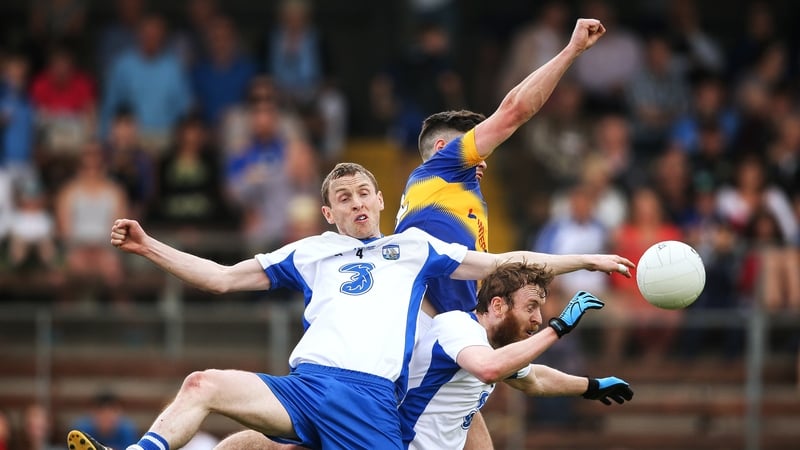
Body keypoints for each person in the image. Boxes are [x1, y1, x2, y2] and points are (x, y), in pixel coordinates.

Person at [69, 162, 633, 450]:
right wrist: (148, 246)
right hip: (305, 385)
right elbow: (218, 278)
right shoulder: (310, 252)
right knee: (202, 384)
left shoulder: (415, 249)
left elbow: (503, 260)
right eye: (344, 197)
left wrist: (587, 259)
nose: (357, 201)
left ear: (381, 200)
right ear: (328, 213)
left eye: (364, 192)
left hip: (369, 405)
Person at [393, 18, 606, 448]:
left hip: (458, 346)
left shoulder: (462, 203)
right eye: (474, 146)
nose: (485, 157)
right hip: (432, 345)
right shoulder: (439, 171)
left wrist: (591, 386)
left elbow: (528, 377)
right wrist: (572, 51)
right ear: (443, 149)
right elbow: (514, 112)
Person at [402, 262, 632, 449]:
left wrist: (591, 386)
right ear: (498, 306)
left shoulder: (491, 348)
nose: (539, 319)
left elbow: (535, 380)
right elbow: (488, 369)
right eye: (531, 307)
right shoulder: (457, 325)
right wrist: (559, 327)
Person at [71, 391, 138, 449]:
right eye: (102, 413)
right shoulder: (81, 432)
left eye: (112, 412)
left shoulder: (127, 431)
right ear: (92, 412)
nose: (107, 417)